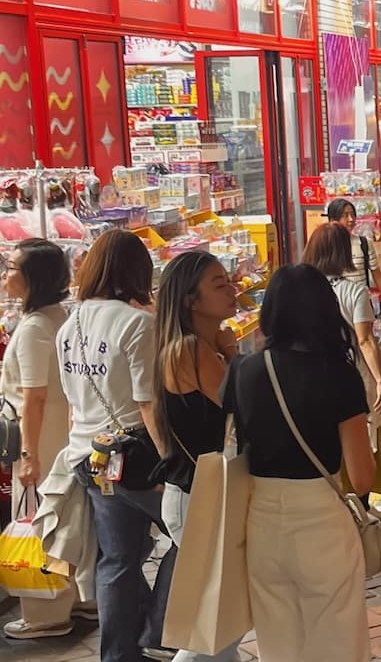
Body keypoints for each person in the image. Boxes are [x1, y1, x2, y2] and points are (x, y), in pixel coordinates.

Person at [222, 265, 375, 662]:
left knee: (278, 644)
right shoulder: (339, 375)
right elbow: (362, 477)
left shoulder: (244, 370)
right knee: (338, 640)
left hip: (262, 523)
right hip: (321, 520)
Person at [56, 229, 172, 662]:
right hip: (134, 457)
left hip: (88, 455)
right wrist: (170, 465)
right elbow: (147, 405)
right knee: (191, 533)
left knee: (118, 559)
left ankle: (120, 653)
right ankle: (161, 628)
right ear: (137, 270)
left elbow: (72, 401)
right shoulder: (137, 324)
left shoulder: (71, 324)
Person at [151, 251, 241, 662]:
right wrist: (234, 354)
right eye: (218, 284)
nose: (232, 290)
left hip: (196, 492)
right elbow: (246, 402)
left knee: (222, 620)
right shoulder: (190, 350)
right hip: (198, 496)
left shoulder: (191, 348)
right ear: (190, 299)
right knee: (216, 625)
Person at [1, 240, 88, 640]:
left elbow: (34, 396)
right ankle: (67, 598)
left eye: (13, 267)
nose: (6, 274)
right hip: (53, 431)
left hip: (41, 435)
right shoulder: (55, 317)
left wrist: (28, 453)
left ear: (34, 277)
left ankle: (44, 612)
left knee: (39, 521)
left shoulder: (36, 327)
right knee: (59, 519)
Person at [302, 224, 381, 516]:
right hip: (348, 374)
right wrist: (380, 380)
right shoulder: (354, 290)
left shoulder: (300, 290)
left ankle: (333, 504)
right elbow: (365, 340)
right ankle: (360, 507)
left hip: (310, 376)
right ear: (342, 252)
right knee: (359, 441)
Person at [325, 197, 381, 317]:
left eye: (353, 215)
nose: (351, 219)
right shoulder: (326, 245)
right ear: (333, 219)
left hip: (361, 303)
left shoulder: (364, 243)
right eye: (345, 216)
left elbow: (377, 274)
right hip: (335, 305)